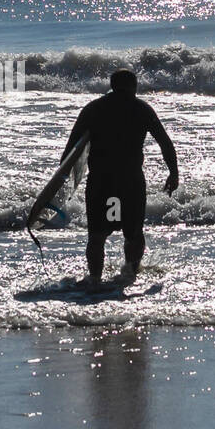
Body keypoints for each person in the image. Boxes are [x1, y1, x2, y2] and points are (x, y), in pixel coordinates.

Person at [62, 69, 178, 286]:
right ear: (134, 86)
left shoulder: (93, 109)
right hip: (130, 181)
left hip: (101, 182)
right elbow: (165, 142)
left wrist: (63, 185)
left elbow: (71, 150)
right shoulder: (141, 109)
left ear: (112, 85)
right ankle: (129, 275)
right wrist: (173, 171)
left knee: (97, 235)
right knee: (133, 233)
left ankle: (94, 280)